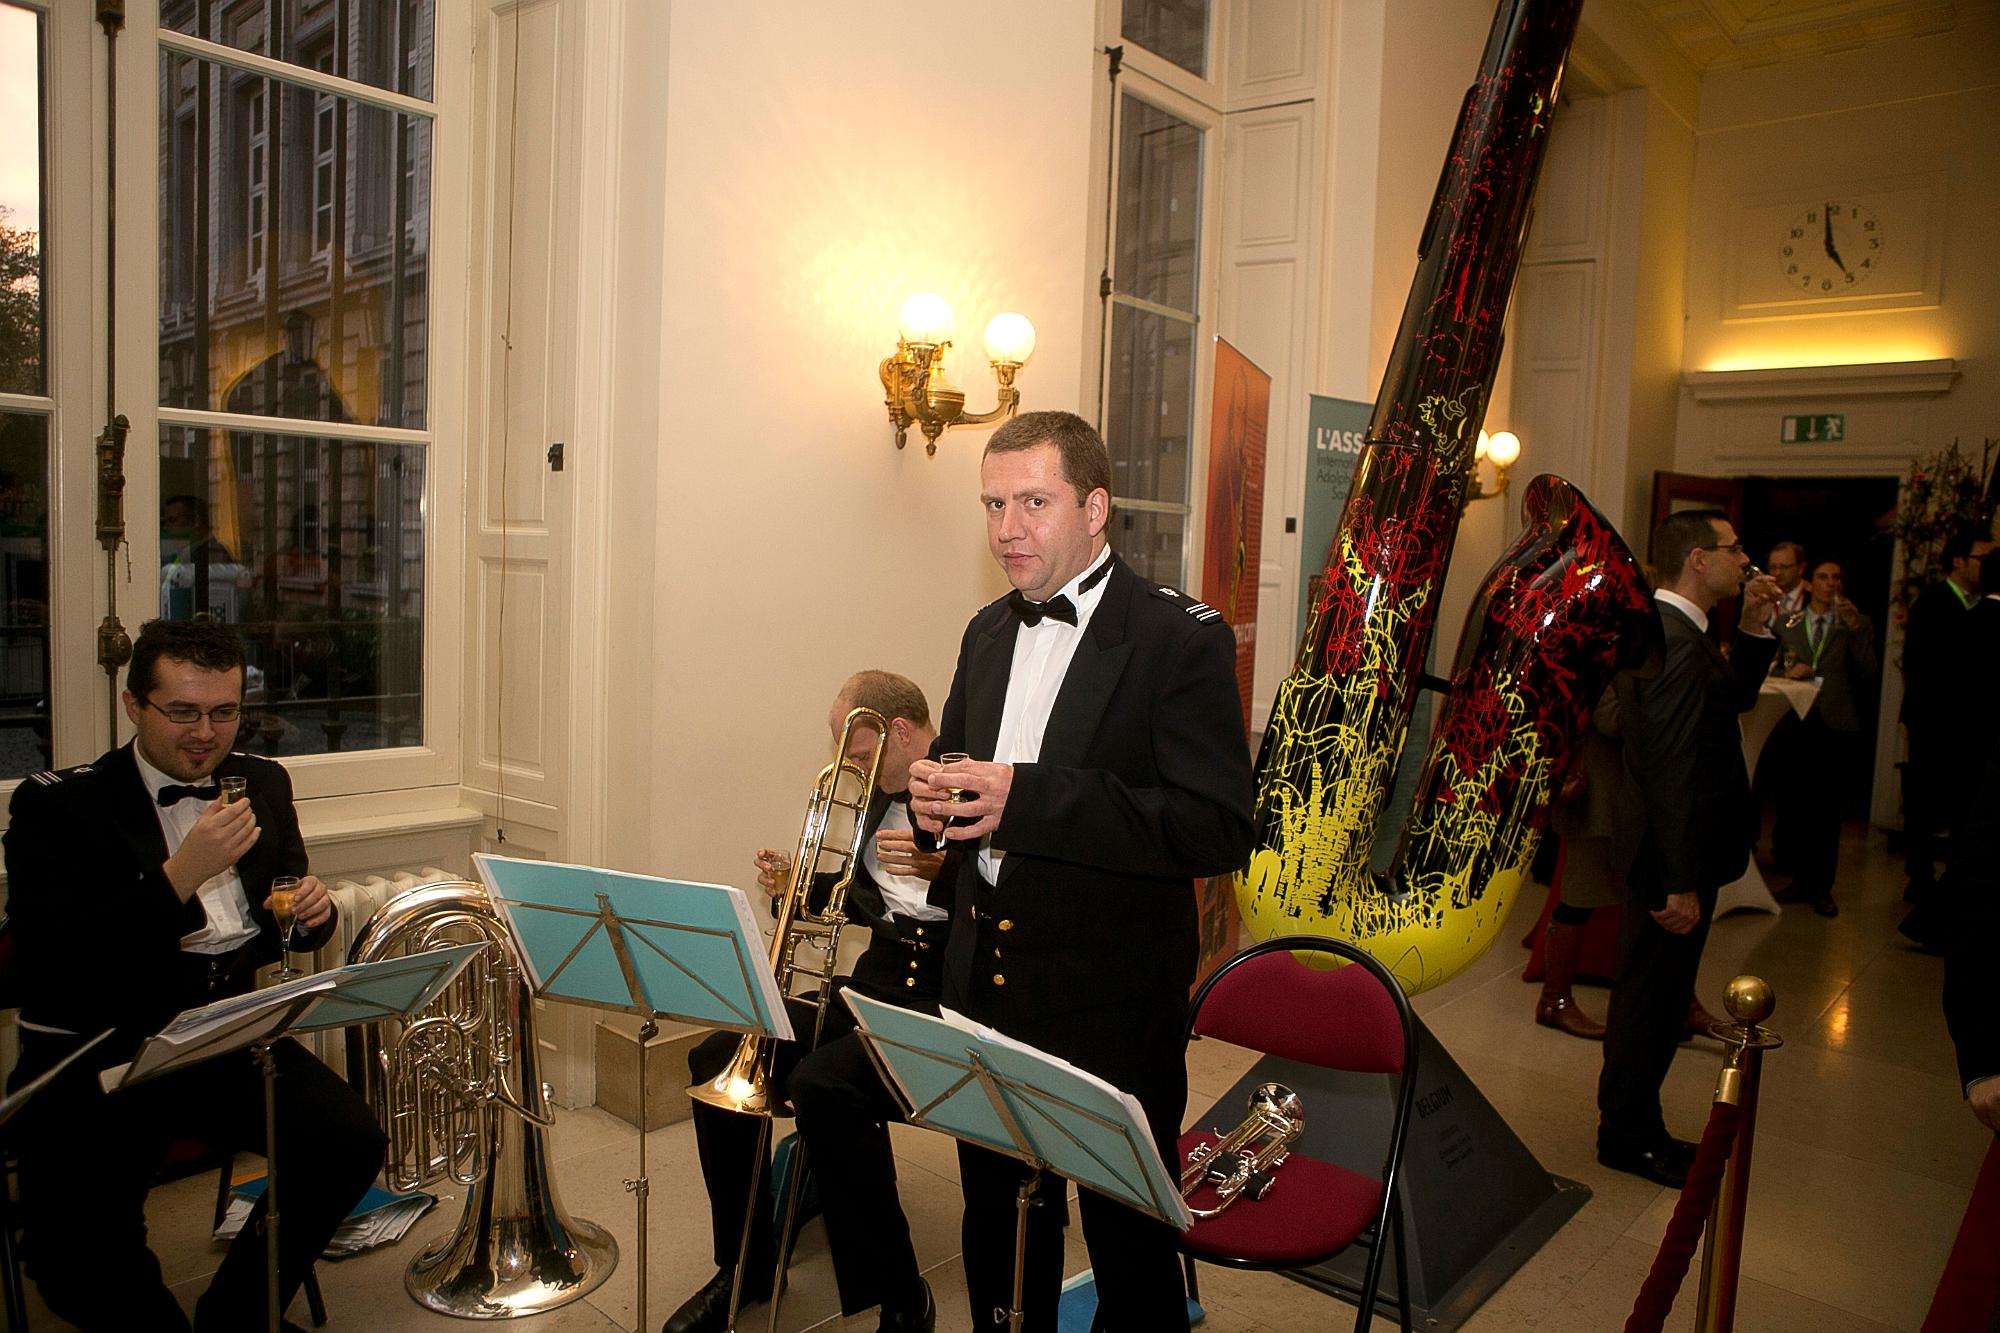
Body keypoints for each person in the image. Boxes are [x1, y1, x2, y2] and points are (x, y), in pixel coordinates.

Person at [905, 410, 1254, 1331]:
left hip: (1111, 999)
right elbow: (958, 768)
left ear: (1095, 506)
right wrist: (928, 799)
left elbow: (1217, 826)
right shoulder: (986, 630)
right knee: (998, 1229)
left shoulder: (1180, 640)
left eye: (1033, 501)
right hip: (986, 988)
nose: (1006, 527)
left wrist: (1031, 799)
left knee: (1129, 1244)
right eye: (992, 504)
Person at [2, 618, 385, 1331]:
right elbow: (55, 960)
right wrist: (181, 874)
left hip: (220, 1035)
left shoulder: (263, 781)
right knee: (74, 1252)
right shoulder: (56, 807)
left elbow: (294, 923)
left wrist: (311, 911)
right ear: (133, 706)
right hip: (100, 1046)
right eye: (182, 711)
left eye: (224, 711)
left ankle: (235, 1317)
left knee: (351, 1138)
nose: (205, 732)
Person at [664, 670, 952, 1333]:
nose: (852, 767)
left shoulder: (963, 784)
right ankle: (745, 1266)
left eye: (857, 753)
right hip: (874, 990)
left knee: (824, 1085)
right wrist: (795, 885)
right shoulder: (881, 796)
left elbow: (1002, 902)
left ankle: (902, 1294)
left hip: (937, 1006)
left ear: (900, 732)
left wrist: (951, 869)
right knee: (720, 1054)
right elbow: (863, 896)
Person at [1597, 510, 1779, 1188]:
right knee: (1650, 999)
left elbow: (1730, 697)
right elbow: (1669, 766)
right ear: (1698, 559)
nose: (1746, 561)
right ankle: (1628, 1134)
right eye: (1735, 550)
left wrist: (1756, 628)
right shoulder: (1670, 639)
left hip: (1677, 851)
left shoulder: (1682, 631)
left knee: (1660, 994)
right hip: (1666, 856)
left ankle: (1629, 1123)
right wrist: (1678, 878)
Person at [1773, 559, 1878, 917]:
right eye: (1822, 577)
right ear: (1808, 583)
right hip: (1798, 721)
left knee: (1828, 810)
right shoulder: (1789, 622)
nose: (1830, 583)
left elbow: (1868, 672)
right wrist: (1788, 670)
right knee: (1796, 804)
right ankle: (1798, 878)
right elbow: (1772, 664)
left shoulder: (1855, 624)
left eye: (1837, 577)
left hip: (1837, 723)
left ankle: (1822, 887)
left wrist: (1854, 631)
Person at [1900, 529, 1991, 902]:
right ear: (1959, 561)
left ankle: (1957, 873)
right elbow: (1923, 668)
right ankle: (1918, 874)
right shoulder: (1932, 604)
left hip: (1970, 726)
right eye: (1983, 558)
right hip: (1933, 722)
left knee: (1964, 803)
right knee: (1925, 798)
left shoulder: (1983, 604)